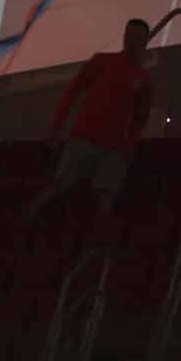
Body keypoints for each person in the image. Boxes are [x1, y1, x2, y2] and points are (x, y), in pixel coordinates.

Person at [23, 18, 156, 220]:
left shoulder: (143, 79)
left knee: (105, 194)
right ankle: (30, 215)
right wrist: (56, 127)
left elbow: (141, 116)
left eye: (136, 37)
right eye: (129, 36)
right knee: (62, 184)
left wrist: (129, 143)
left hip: (114, 144)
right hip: (85, 137)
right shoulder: (102, 62)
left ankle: (100, 238)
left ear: (145, 41)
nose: (131, 41)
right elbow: (72, 93)